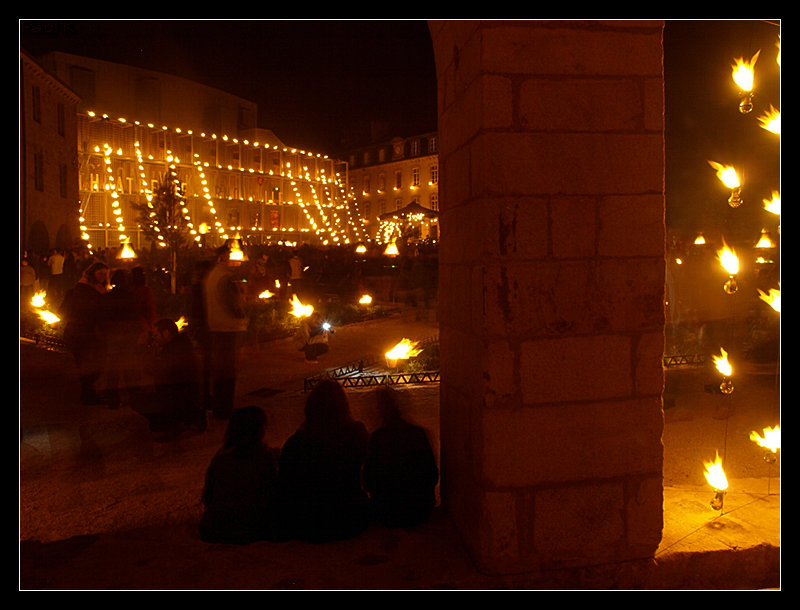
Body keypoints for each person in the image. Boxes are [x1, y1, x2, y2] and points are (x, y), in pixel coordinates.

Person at [278, 380, 370, 543]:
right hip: (350, 520)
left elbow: (285, 483)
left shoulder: (297, 442)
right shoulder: (355, 434)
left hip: (306, 524)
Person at [199, 406, 281, 544]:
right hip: (254, 527)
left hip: (218, 528)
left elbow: (209, 496)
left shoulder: (220, 459)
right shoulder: (264, 459)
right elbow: (273, 493)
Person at [364, 388, 439, 528]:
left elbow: (368, 481)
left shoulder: (377, 439)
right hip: (420, 512)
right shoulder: (418, 434)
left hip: (386, 514)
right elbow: (432, 475)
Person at [201, 247, 249, 420]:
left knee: (221, 371)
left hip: (216, 326)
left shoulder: (212, 275)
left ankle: (219, 407)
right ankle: (224, 410)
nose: (235, 260)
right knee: (228, 373)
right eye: (232, 256)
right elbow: (234, 305)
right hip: (229, 329)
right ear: (223, 257)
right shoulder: (226, 278)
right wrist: (242, 308)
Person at [145, 317, 204, 440]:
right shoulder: (181, 345)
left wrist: (147, 354)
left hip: (179, 397)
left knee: (140, 400)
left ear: (166, 333)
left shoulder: (173, 350)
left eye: (156, 335)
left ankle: (174, 425)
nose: (154, 338)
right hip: (184, 396)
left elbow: (158, 373)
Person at [60, 261, 110, 405]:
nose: (102, 276)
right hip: (83, 333)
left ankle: (88, 393)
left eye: (105, 274)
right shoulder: (84, 290)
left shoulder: (95, 288)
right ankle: (88, 395)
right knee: (89, 364)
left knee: (90, 364)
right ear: (92, 273)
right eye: (100, 273)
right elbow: (89, 311)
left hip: (87, 333)